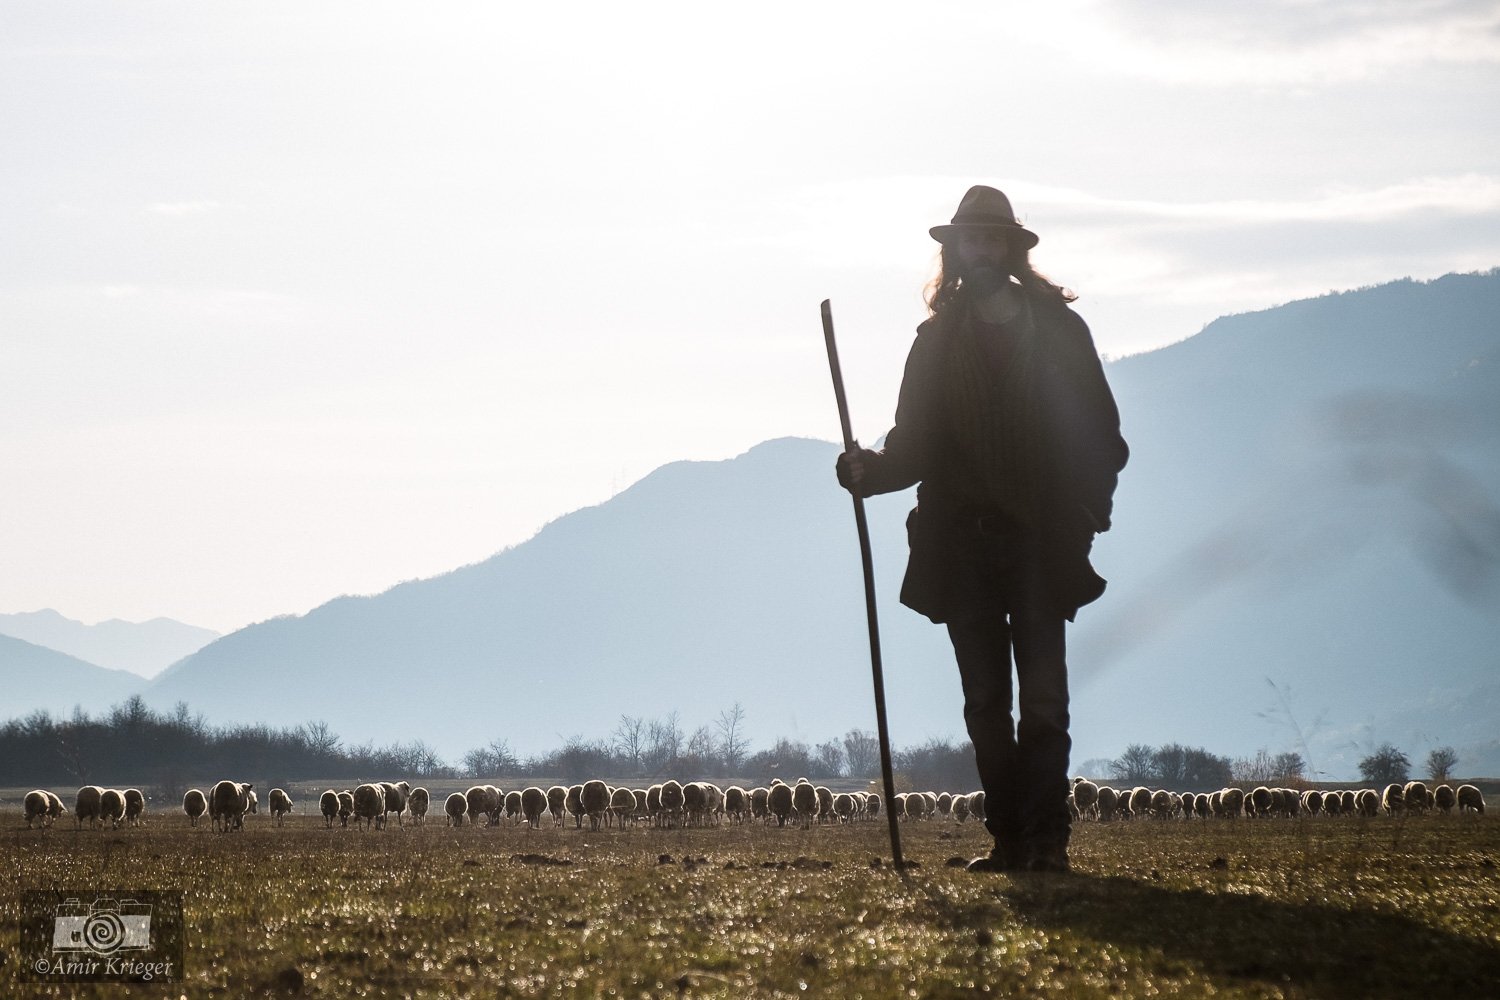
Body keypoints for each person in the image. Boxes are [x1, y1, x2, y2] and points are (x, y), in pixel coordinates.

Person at [835, 185, 1127, 873]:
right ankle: (1010, 841)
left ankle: (1047, 842)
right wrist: (863, 472)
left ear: (1012, 249)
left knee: (1045, 702)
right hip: (960, 543)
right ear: (956, 251)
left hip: (1042, 543)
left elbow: (1100, 438)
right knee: (986, 702)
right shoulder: (935, 343)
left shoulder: (1059, 331)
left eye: (993, 239)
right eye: (971, 240)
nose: (983, 250)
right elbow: (914, 448)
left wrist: (1087, 516)